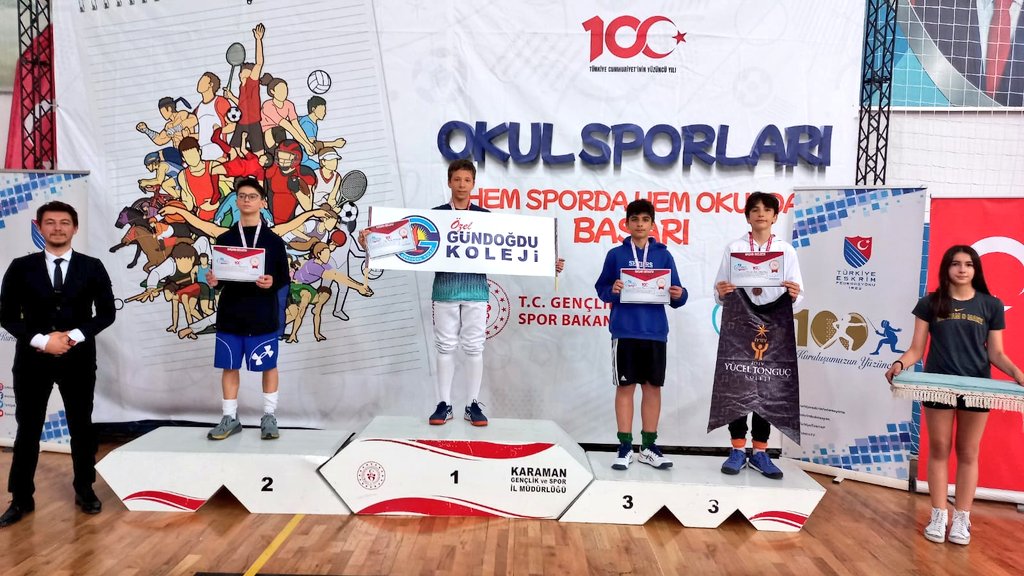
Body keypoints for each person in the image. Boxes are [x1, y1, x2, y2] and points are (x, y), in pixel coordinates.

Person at [358, 159, 563, 427]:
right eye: (457, 180)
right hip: (445, 289)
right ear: (449, 182)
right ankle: (443, 404)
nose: (462, 185)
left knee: (474, 347)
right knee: (445, 347)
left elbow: (513, 249)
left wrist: (548, 262)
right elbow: (404, 243)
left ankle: (472, 404)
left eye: (467, 180)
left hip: (476, 291)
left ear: (473, 184)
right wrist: (371, 242)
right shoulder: (435, 217)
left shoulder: (485, 217)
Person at [885, 245, 1024, 546]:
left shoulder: (991, 305)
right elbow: (916, 349)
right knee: (939, 448)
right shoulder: (930, 303)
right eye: (956, 264)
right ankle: (939, 514)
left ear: (976, 269)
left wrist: (1017, 373)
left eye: (968, 264)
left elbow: (996, 353)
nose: (962, 269)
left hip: (978, 388)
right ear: (946, 268)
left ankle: (962, 517)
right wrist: (899, 364)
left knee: (968, 451)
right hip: (938, 385)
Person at [0, 201, 116, 527]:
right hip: (32, 361)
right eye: (50, 222)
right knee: (28, 430)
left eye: (64, 222)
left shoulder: (92, 267)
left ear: (74, 228)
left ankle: (85, 489)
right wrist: (42, 341)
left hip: (78, 360)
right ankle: (21, 498)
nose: (57, 228)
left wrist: (73, 337)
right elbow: (7, 316)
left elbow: (107, 313)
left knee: (81, 427)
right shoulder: (20, 267)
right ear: (39, 227)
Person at [713, 191, 803, 479]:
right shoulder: (735, 248)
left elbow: (798, 294)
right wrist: (721, 292)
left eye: (766, 209)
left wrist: (794, 294)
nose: (761, 213)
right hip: (740, 323)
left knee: (767, 385)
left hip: (773, 324)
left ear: (775, 216)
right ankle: (738, 449)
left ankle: (760, 451)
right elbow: (719, 291)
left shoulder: (786, 251)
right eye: (755, 209)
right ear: (747, 216)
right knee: (738, 383)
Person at [595, 199, 687, 470]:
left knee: (652, 388)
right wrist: (613, 289)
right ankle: (625, 446)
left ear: (652, 224)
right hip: (625, 330)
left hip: (655, 332)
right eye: (634, 219)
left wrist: (679, 294)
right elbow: (602, 289)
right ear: (626, 224)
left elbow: (678, 294)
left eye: (645, 219)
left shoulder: (664, 255)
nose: (639, 224)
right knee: (625, 388)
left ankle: (648, 446)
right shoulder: (615, 255)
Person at [205, 178, 290, 441]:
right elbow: (220, 279)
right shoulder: (225, 238)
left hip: (263, 314)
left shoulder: (274, 241)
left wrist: (272, 281)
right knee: (229, 366)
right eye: (241, 196)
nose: (246, 200)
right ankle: (229, 417)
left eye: (252, 196)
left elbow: (284, 278)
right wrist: (214, 281)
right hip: (231, 314)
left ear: (262, 202)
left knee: (269, 366)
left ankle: (269, 415)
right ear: (236, 201)